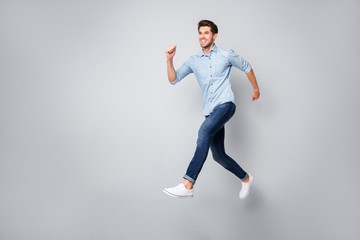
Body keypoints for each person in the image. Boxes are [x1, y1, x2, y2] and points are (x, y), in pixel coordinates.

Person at [163, 20, 260, 200]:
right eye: (200, 33)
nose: (202, 36)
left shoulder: (225, 54)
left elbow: (247, 66)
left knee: (203, 131)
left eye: (206, 33)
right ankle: (246, 178)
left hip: (226, 105)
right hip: (210, 111)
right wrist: (170, 60)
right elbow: (173, 79)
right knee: (218, 155)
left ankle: (188, 184)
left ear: (214, 36)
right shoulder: (194, 61)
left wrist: (255, 89)